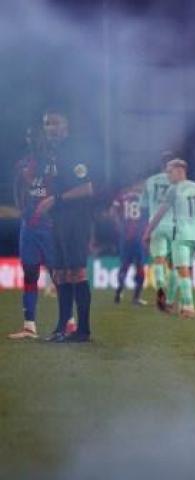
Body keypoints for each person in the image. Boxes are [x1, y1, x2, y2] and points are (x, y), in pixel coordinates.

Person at [7, 127, 76, 339]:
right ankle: (29, 326)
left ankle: (70, 321)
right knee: (30, 272)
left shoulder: (55, 164)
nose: (32, 141)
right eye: (29, 137)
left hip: (49, 226)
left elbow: (62, 192)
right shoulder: (22, 164)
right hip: (29, 227)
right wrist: (25, 213)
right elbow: (17, 191)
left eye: (35, 137)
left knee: (57, 273)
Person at [34, 110, 93, 342]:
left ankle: (84, 330)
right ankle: (61, 327)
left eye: (54, 123)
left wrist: (54, 200)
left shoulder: (74, 151)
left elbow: (87, 188)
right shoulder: (51, 155)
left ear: (65, 127)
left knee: (76, 272)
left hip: (75, 220)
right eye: (46, 124)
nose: (50, 128)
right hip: (58, 220)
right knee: (60, 273)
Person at [143, 158, 195, 318]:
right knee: (183, 270)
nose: (168, 175)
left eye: (169, 172)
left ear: (179, 171)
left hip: (180, 235)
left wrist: (148, 231)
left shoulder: (175, 189)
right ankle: (173, 302)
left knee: (182, 271)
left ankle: (188, 306)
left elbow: (160, 213)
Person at [141, 151, 177, 312]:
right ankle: (169, 298)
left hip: (154, 225)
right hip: (173, 225)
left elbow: (142, 207)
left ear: (161, 165)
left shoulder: (149, 181)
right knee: (173, 264)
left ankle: (160, 287)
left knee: (158, 261)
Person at [110, 181, 147, 305]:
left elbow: (113, 212)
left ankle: (118, 293)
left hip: (125, 236)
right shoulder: (144, 197)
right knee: (140, 266)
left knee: (124, 265)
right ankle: (136, 298)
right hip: (139, 236)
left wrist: (120, 227)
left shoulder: (121, 195)